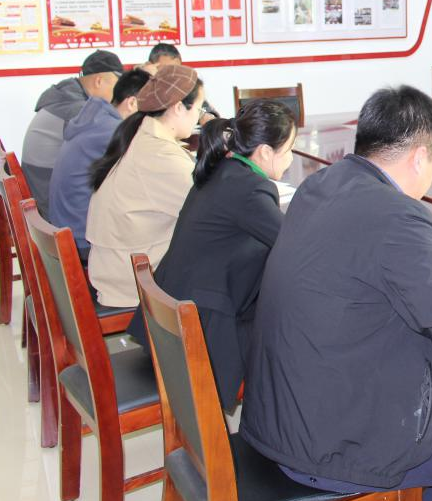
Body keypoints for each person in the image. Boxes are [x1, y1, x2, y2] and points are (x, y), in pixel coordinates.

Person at [241, 86, 432, 501]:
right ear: (420, 157)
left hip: (280, 412)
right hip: (327, 445)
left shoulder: (321, 184)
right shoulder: (399, 217)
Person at [126, 99, 296, 410]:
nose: (290, 159)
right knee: (295, 326)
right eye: (288, 151)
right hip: (203, 329)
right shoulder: (249, 189)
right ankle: (276, 420)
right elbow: (295, 245)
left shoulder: (223, 170)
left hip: (174, 313)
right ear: (264, 152)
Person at [86, 65, 206, 307]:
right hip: (133, 283)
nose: (199, 117)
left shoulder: (141, 133)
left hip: (117, 268)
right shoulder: (159, 155)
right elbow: (209, 209)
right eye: (199, 108)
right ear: (178, 107)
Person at [48, 68, 152, 262]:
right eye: (151, 113)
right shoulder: (112, 131)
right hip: (82, 240)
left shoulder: (96, 117)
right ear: (132, 103)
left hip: (67, 228)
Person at [21, 49, 124, 217]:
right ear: (99, 81)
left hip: (41, 193)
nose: (118, 95)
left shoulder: (65, 96)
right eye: (117, 86)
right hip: (50, 205)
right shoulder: (78, 110)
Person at [144, 41, 219, 120]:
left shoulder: (185, 86)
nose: (173, 76)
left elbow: (207, 111)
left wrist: (203, 114)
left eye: (177, 70)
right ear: (150, 66)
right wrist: (147, 78)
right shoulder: (142, 88)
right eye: (167, 70)